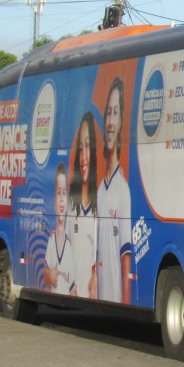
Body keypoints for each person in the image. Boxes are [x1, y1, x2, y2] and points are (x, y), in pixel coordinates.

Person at [97, 77, 132, 304]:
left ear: (121, 125)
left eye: (116, 113)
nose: (110, 121)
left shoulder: (122, 188)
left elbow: (125, 258)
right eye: (108, 112)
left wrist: (126, 307)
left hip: (114, 297)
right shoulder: (100, 188)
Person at [69, 112, 99, 299]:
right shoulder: (71, 207)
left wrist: (96, 275)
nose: (84, 157)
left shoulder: (101, 206)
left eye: (88, 146)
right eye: (81, 148)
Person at [44, 163, 76, 295]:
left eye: (64, 193)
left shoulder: (71, 244)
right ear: (54, 201)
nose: (62, 199)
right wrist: (50, 275)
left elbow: (73, 288)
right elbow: (46, 274)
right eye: (59, 193)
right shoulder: (51, 240)